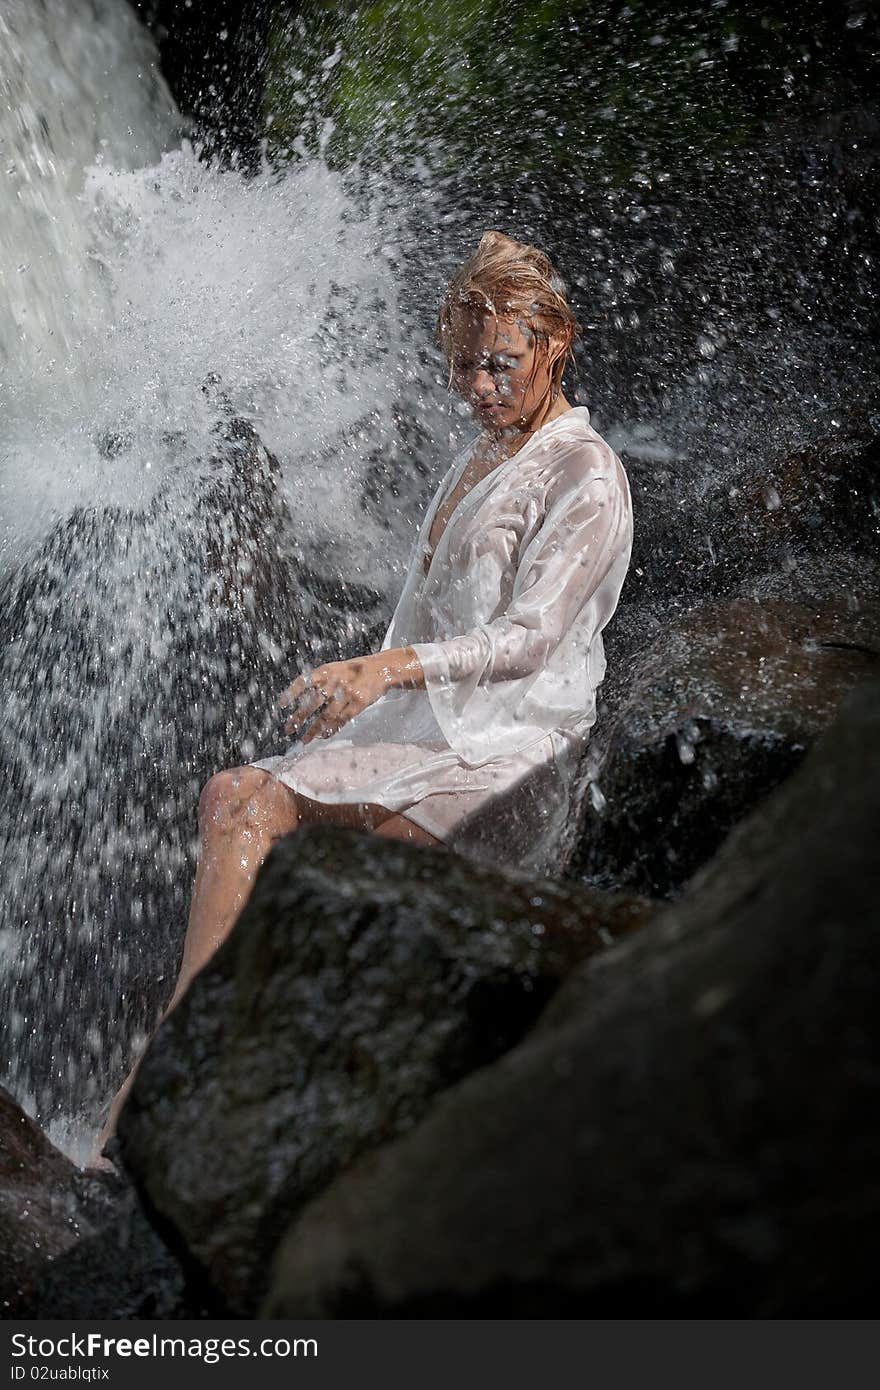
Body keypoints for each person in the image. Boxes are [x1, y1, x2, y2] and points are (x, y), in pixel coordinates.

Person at [93, 229, 632, 1159]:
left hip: (513, 746)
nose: (477, 388)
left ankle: (242, 1125)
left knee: (344, 893)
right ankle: (169, 1069)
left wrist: (382, 669)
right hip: (426, 724)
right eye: (461, 368)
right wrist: (374, 686)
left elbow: (533, 637)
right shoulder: (482, 453)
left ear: (555, 344)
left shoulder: (587, 474)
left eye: (499, 365)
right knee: (235, 799)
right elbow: (431, 608)